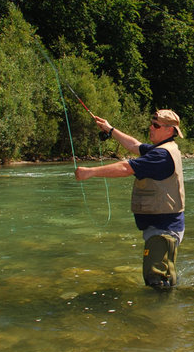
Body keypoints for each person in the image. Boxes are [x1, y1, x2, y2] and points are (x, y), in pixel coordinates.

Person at [75, 110, 185, 289]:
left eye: (156, 125)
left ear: (169, 130)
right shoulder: (163, 148)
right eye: (152, 123)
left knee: (158, 282)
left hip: (164, 229)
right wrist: (110, 129)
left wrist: (90, 172)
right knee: (159, 278)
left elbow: (126, 168)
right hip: (161, 227)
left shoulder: (161, 155)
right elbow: (134, 145)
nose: (151, 127)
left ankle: (163, 315)